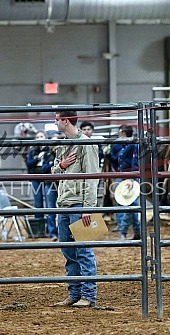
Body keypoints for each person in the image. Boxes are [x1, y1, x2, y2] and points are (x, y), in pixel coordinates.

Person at [51, 110, 100, 308]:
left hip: (79, 204)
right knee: (68, 250)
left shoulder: (86, 144)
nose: (55, 123)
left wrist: (88, 207)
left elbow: (92, 175)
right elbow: (54, 170)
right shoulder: (62, 145)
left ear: (66, 121)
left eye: (57, 120)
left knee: (83, 250)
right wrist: (62, 164)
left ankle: (88, 295)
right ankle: (75, 293)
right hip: (64, 203)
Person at [25, 131, 58, 240]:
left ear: (46, 138)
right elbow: (29, 163)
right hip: (36, 178)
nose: (40, 138)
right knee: (38, 204)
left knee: (50, 205)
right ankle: (39, 230)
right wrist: (38, 158)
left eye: (42, 136)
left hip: (48, 179)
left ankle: (51, 231)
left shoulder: (51, 150)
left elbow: (51, 165)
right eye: (37, 137)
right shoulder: (32, 151)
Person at [112, 125, 141, 240]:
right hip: (124, 176)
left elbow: (135, 162)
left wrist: (132, 178)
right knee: (129, 205)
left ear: (123, 134)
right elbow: (117, 161)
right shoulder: (123, 146)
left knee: (129, 205)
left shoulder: (133, 145)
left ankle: (123, 231)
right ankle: (137, 231)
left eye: (120, 133)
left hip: (129, 177)